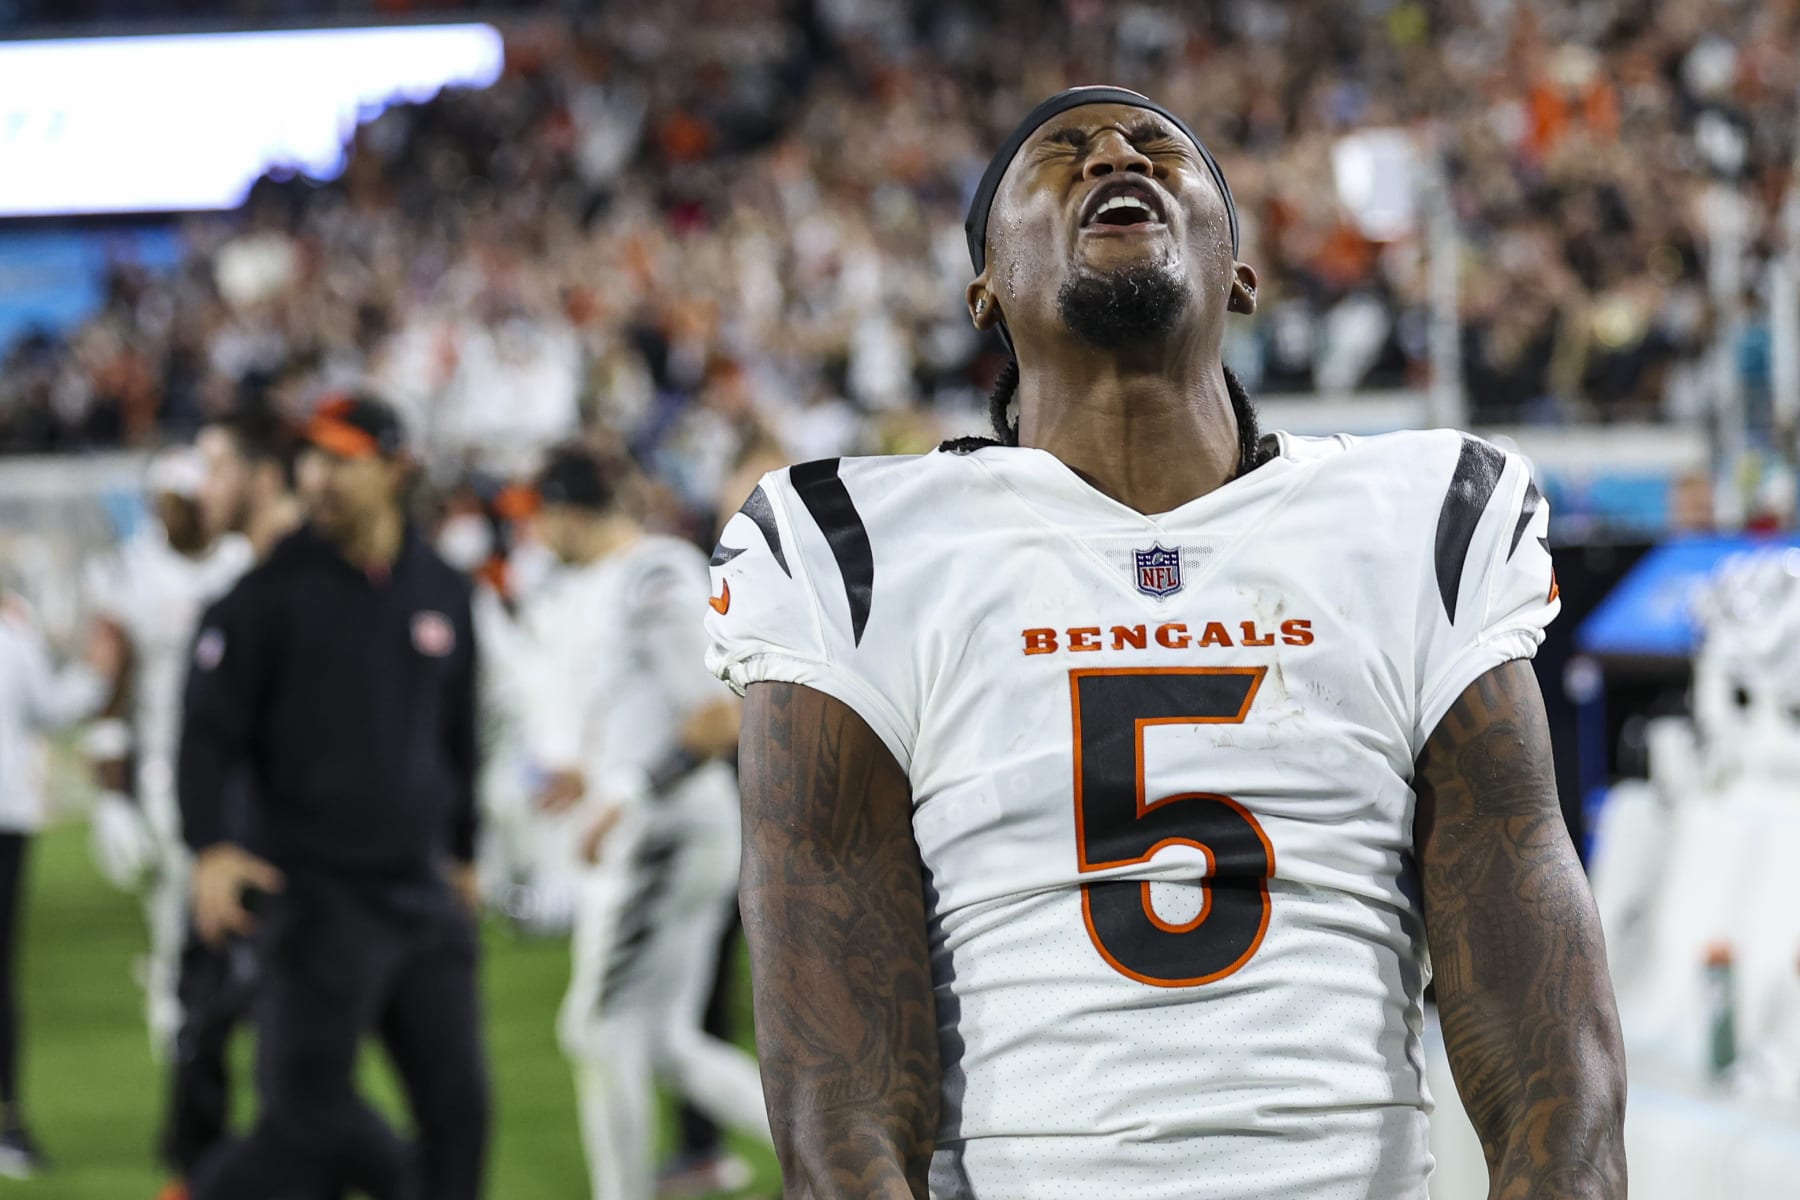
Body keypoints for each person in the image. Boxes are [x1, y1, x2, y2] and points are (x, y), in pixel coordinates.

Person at [706, 87, 1626, 1199]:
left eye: (1154, 145)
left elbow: (1542, 1032)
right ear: (983, 287)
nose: (1108, 153)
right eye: (1057, 152)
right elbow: (838, 1091)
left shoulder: (1417, 515)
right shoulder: (851, 550)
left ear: (1239, 270)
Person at [178, 394, 488, 1200]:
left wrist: (464, 855)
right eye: (310, 459)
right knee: (309, 1118)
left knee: (461, 1113)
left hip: (421, 897)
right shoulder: (267, 595)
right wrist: (209, 846)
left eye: (341, 460)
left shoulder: (443, 590)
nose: (318, 478)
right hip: (313, 898)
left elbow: (457, 738)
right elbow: (206, 734)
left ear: (396, 469)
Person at [517, 446, 769, 1200]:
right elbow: (640, 713)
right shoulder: (603, 582)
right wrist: (586, 774)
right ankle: (850, 1161)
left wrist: (625, 793)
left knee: (596, 1030)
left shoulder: (655, 573)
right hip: (664, 828)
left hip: (667, 831)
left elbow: (717, 718)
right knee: (665, 1043)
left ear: (564, 509)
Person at [154, 408, 304, 1200]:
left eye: (215, 467)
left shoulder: (321, 585)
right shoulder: (236, 590)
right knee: (210, 1029)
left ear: (263, 474)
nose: (200, 487)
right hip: (237, 847)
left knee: (301, 1057)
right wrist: (209, 843)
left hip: (302, 858)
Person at [82, 446, 254, 1055]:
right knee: (179, 886)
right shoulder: (130, 573)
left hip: (242, 753)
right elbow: (111, 687)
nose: (190, 509)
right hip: (166, 755)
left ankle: (238, 996)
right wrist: (111, 792)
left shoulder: (240, 562)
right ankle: (178, 1004)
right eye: (179, 498)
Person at [0, 592, 115, 1178]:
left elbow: (49, 707)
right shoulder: (13, 635)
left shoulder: (14, 634)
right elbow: (52, 706)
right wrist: (96, 672)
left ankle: (8, 1124)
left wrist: (96, 674)